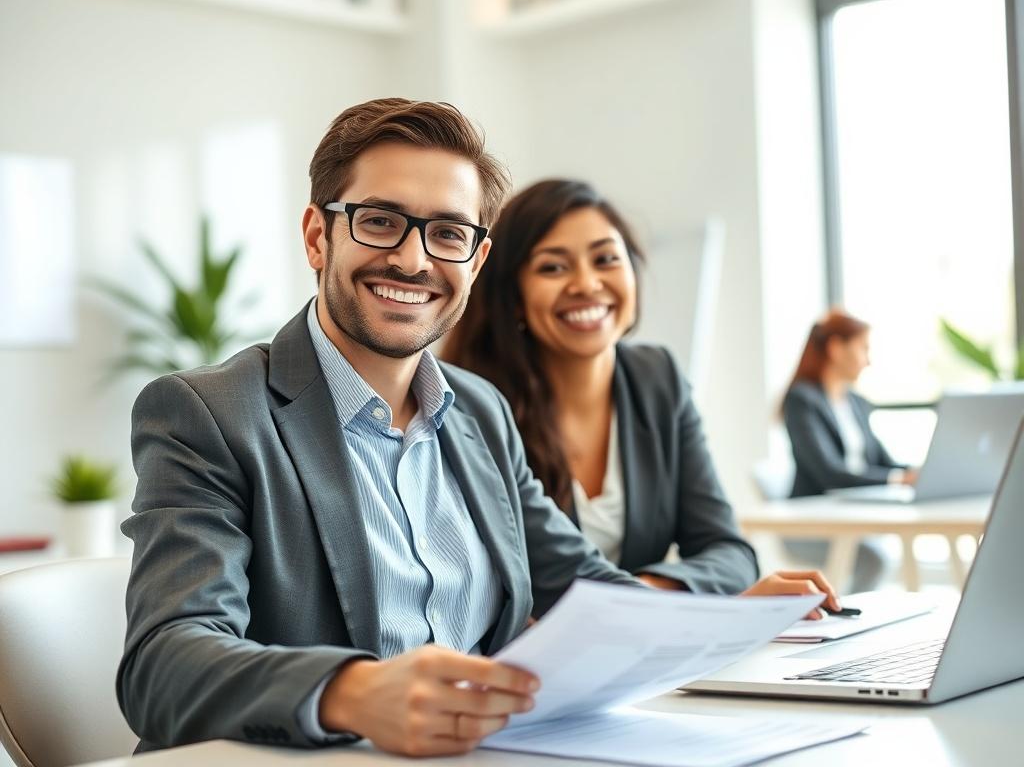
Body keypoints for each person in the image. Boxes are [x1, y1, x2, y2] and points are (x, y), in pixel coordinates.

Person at [117, 99, 645, 758]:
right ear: (318, 235)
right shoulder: (209, 414)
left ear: (476, 261)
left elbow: (584, 582)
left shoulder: (482, 410)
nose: (413, 259)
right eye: (380, 222)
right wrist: (356, 693)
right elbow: (163, 666)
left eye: (449, 234)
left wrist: (743, 622)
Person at [443, 178, 837, 600]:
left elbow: (728, 551)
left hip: (646, 648)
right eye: (553, 267)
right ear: (513, 297)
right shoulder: (470, 405)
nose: (587, 284)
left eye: (606, 259)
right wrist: (650, 604)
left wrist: (652, 592)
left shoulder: (657, 380)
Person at [781, 309, 916, 591]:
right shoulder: (801, 400)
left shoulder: (855, 403)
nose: (868, 361)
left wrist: (916, 473)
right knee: (875, 559)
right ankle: (851, 624)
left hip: (853, 517)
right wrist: (897, 479)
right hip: (811, 525)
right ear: (836, 348)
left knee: (879, 554)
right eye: (863, 348)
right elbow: (830, 474)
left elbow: (884, 462)